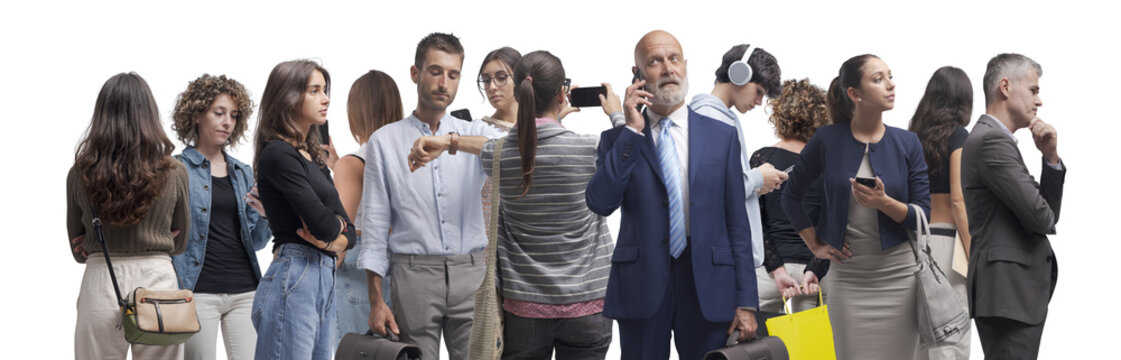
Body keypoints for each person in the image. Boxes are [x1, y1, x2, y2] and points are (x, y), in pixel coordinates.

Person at [410, 50, 615, 360]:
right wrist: (617, 115)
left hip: (525, 308)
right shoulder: (590, 149)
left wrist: (449, 140)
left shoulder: (500, 155)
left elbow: (489, 146)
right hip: (587, 304)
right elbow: (628, 151)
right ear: (562, 93)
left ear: (520, 92)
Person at [584, 30, 758, 359]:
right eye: (655, 61)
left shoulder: (722, 135)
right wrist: (632, 132)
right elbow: (600, 203)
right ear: (637, 75)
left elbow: (737, 222)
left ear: (685, 65)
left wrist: (746, 301)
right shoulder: (618, 140)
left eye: (674, 59)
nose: (668, 68)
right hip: (641, 284)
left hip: (708, 283)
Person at [357, 32, 503, 360]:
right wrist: (376, 300)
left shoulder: (472, 132)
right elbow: (376, 224)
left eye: (453, 75)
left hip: (471, 273)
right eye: (435, 71)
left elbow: (508, 150)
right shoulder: (385, 141)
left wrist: (450, 142)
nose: (444, 83)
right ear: (415, 74)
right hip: (413, 274)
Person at [781, 54, 931, 360]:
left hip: (900, 279)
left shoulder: (908, 143)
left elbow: (923, 215)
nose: (891, 85)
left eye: (890, 76)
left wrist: (884, 203)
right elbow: (790, 197)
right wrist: (816, 245)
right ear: (854, 94)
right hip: (848, 281)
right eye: (878, 79)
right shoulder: (826, 139)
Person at [68, 72, 190, 359]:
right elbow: (181, 241)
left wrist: (96, 240)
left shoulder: (80, 173)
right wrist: (161, 236)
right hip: (157, 280)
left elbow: (77, 249)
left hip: (101, 277)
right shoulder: (174, 171)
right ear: (149, 114)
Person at [250, 59, 356, 360]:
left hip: (322, 276)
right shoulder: (278, 154)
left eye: (325, 90)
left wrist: (335, 235)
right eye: (315, 91)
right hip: (295, 274)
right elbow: (323, 224)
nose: (326, 98)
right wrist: (335, 234)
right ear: (290, 97)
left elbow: (349, 231)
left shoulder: (311, 157)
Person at [962, 53, 1064, 360]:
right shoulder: (992, 142)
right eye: (1034, 90)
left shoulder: (994, 140)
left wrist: (1050, 158)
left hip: (1010, 292)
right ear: (1005, 87)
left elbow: (1045, 214)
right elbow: (1042, 217)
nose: (1039, 101)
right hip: (1008, 292)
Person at [168, 74, 271, 360]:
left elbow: (258, 241)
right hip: (198, 291)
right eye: (219, 113)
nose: (227, 122)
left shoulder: (243, 172)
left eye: (234, 116)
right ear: (197, 114)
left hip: (246, 289)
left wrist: (267, 215)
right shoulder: (176, 169)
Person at [689, 43, 789, 271]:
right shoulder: (709, 117)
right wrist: (755, 178)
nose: (759, 102)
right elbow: (707, 191)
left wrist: (756, 185)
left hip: (727, 257)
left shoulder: (721, 117)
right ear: (739, 73)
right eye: (759, 92)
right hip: (721, 259)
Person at [906, 66, 975, 359]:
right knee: (952, 328)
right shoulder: (959, 136)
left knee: (921, 332)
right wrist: (974, 252)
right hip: (948, 243)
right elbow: (959, 199)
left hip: (914, 242)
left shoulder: (911, 136)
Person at [331, 70, 404, 344]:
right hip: (403, 266)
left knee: (357, 350)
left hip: (358, 270)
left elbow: (341, 236)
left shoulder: (351, 165)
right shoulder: (411, 157)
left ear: (355, 112)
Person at [747, 79, 831, 313]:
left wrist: (777, 270)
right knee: (817, 346)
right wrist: (815, 268)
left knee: (759, 346)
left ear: (781, 114)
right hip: (815, 276)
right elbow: (833, 223)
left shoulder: (761, 158)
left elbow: (755, 221)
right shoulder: (829, 163)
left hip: (767, 272)